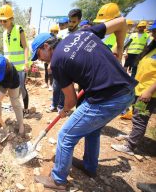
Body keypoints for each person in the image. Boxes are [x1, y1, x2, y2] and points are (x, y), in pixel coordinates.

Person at [31, 15, 137, 190]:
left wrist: (64, 109)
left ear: (46, 46)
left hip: (107, 98)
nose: (40, 60)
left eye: (39, 55)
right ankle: (90, 166)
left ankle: (58, 180)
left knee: (65, 136)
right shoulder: (82, 33)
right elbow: (121, 22)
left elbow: (71, 100)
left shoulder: (57, 62)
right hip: (125, 91)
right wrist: (118, 50)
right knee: (92, 130)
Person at [111, 20, 156, 155]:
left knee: (140, 119)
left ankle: (130, 147)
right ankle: (132, 137)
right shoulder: (152, 47)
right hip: (141, 87)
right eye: (153, 31)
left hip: (149, 92)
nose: (153, 34)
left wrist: (150, 90)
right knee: (136, 115)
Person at [0, 4, 30, 116]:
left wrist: (26, 62)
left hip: (21, 67)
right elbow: (7, 51)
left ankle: (25, 108)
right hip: (10, 68)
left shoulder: (19, 29)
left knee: (22, 88)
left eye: (5, 21)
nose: (2, 23)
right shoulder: (4, 33)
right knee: (13, 89)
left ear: (11, 19)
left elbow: (25, 47)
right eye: (0, 21)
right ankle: (16, 106)